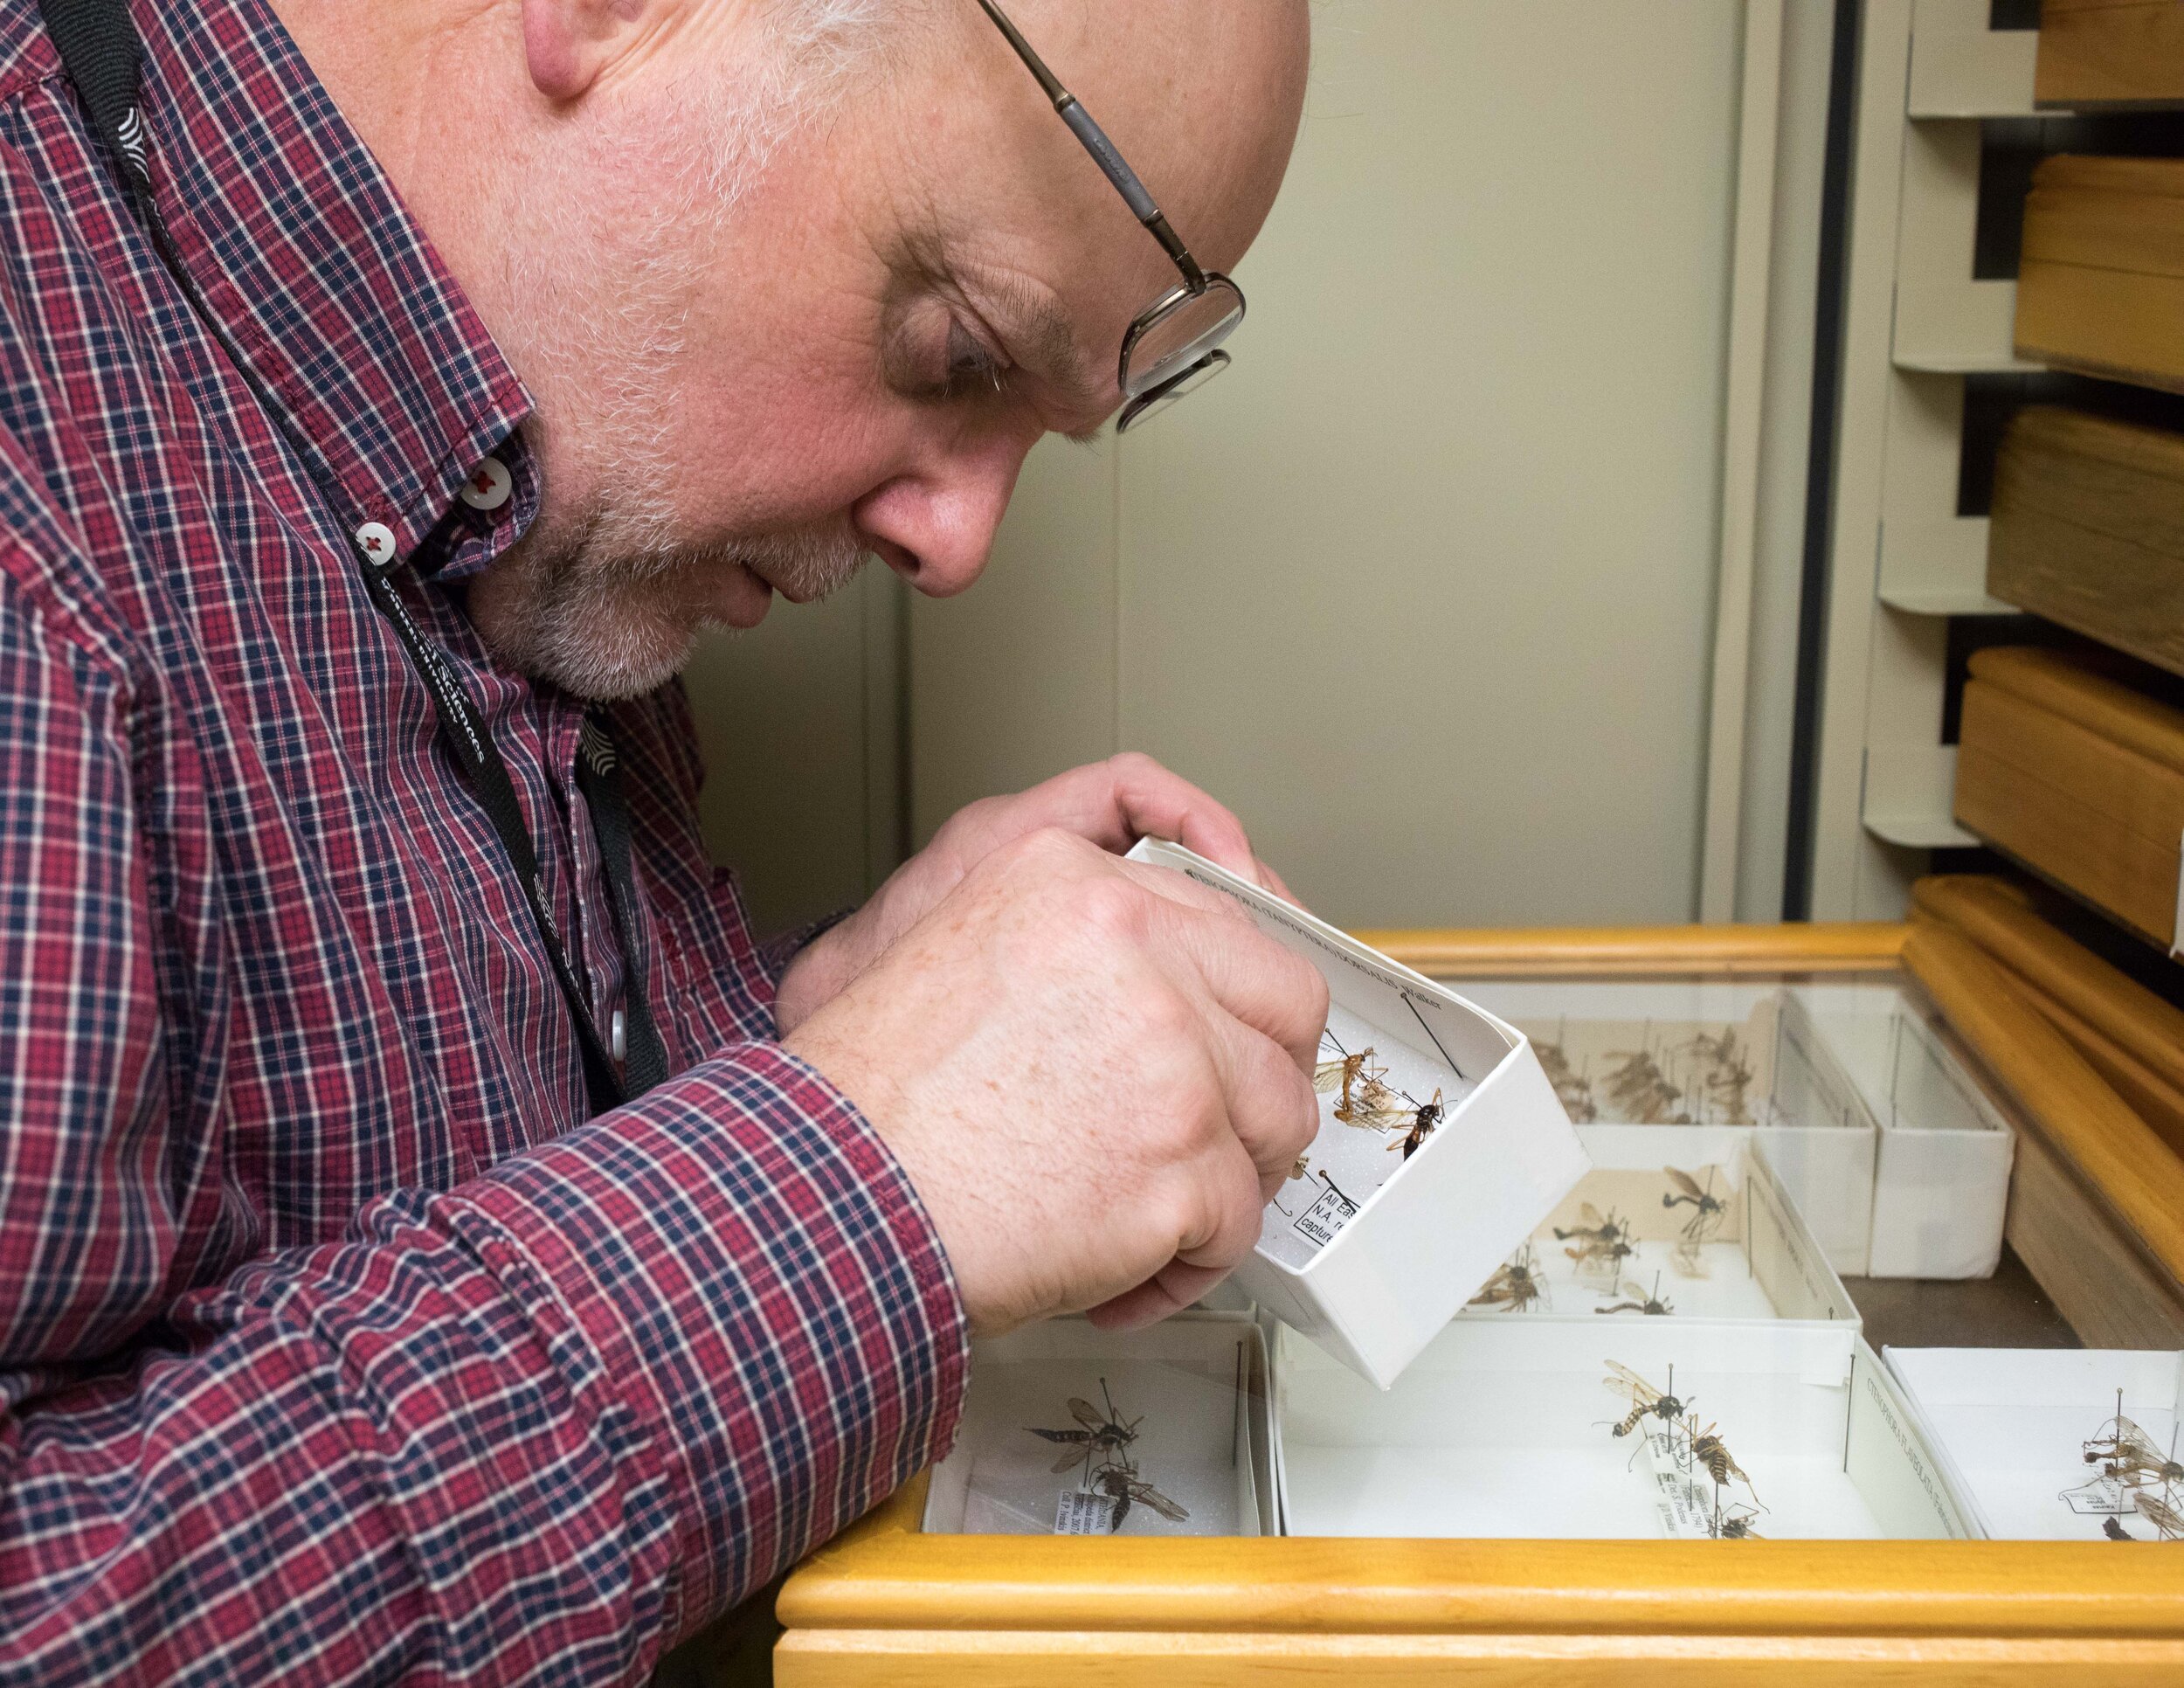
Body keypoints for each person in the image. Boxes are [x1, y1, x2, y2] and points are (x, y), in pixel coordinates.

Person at [0, 0, 1317, 1679]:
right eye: (957, 352)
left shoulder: (524, 458)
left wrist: (836, 1024)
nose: (961, 539)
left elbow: (405, 1194)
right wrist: (865, 1176)